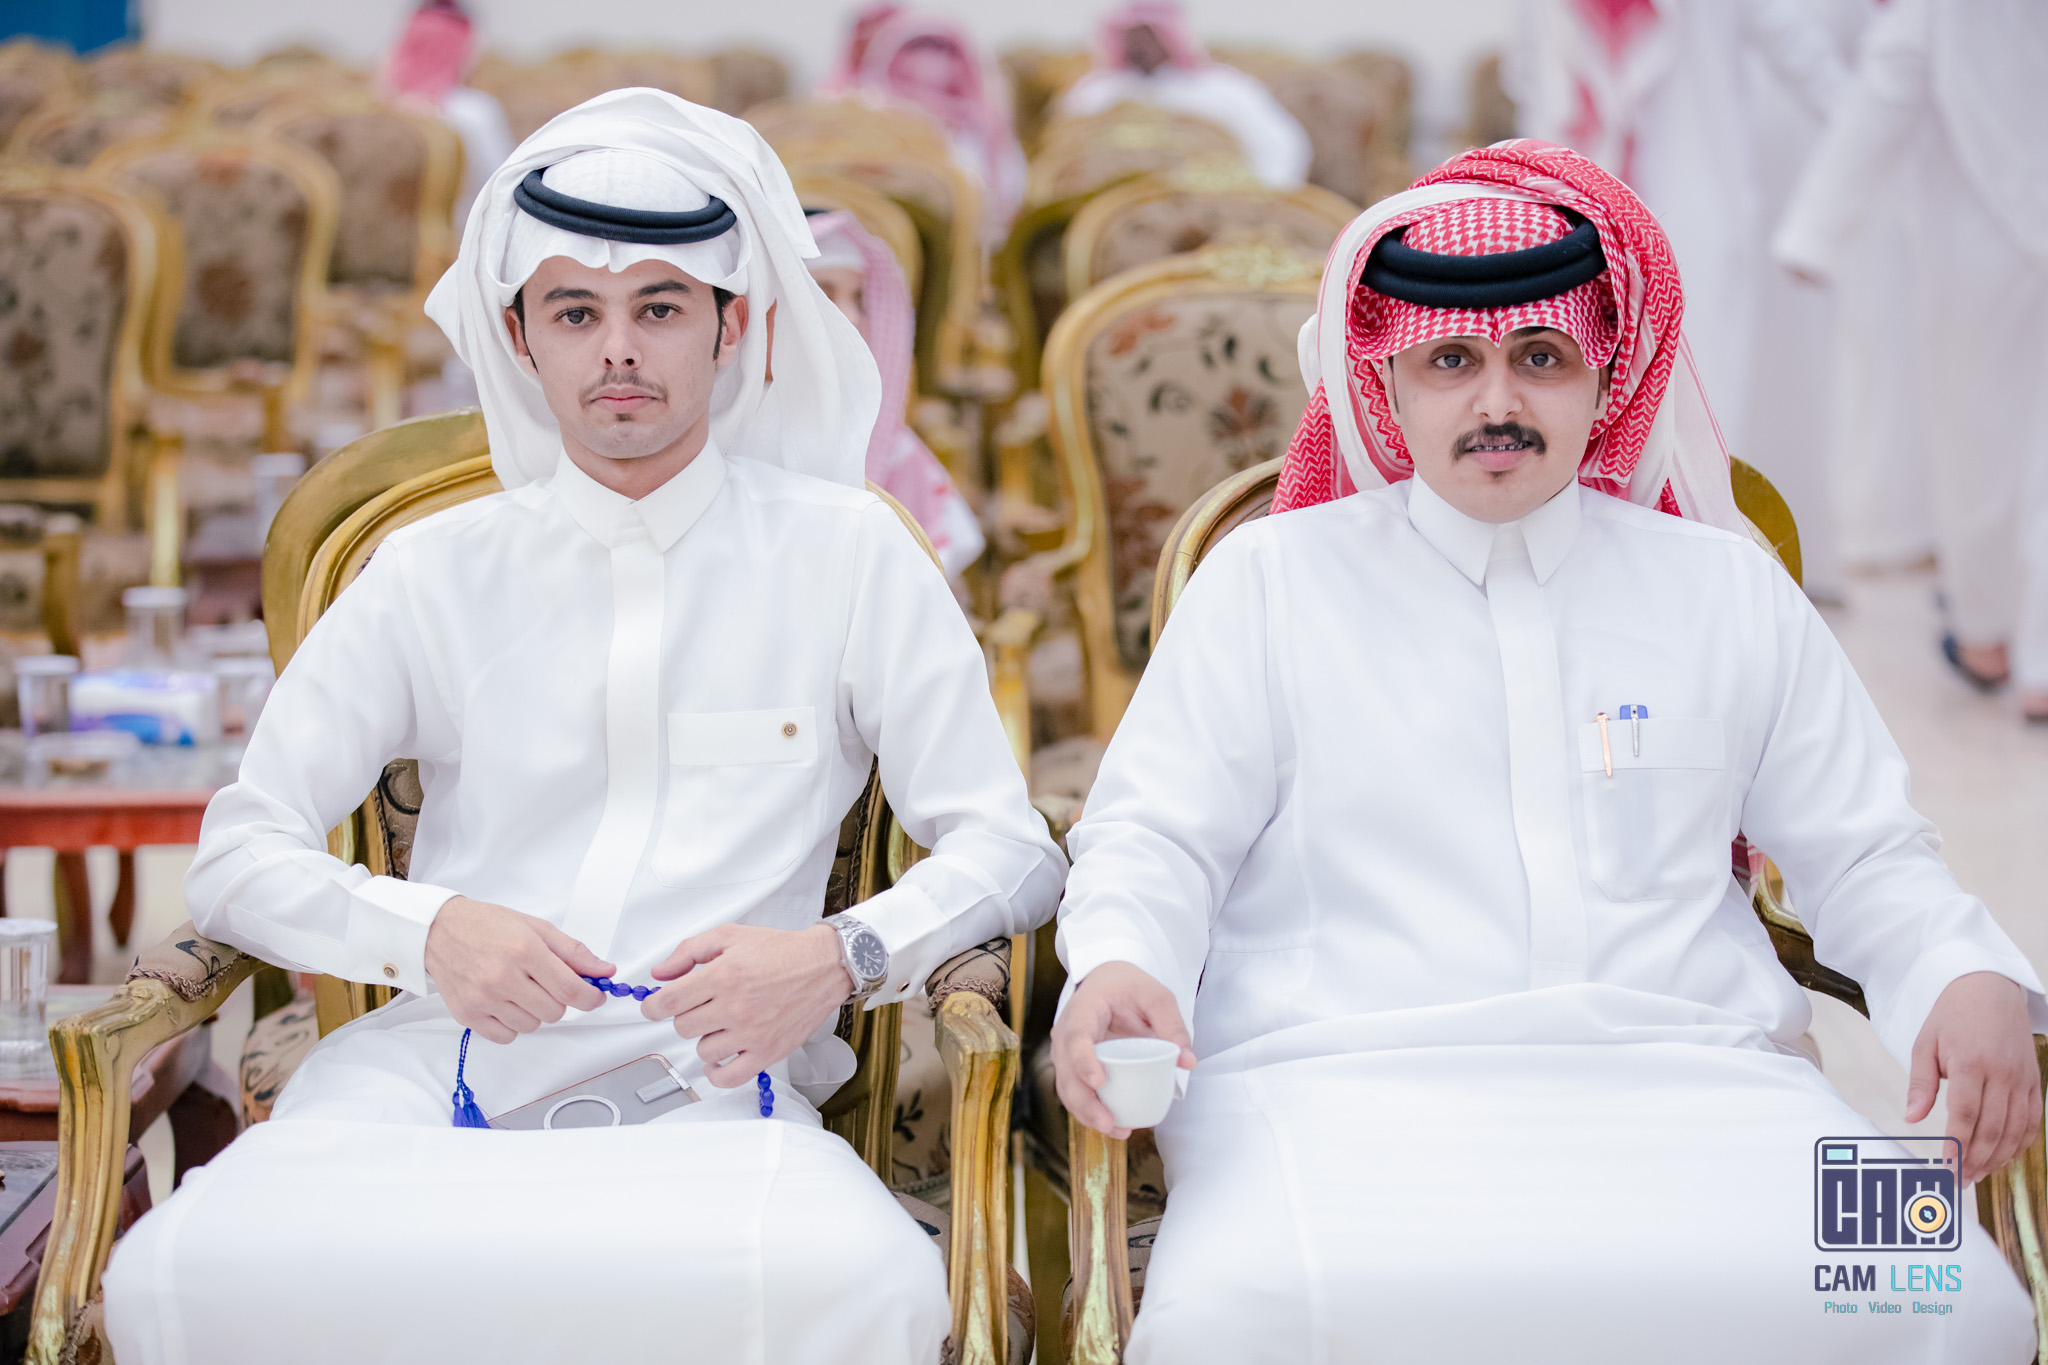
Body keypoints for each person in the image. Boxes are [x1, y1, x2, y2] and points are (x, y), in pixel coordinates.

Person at [102, 89, 1064, 1365]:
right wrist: (427, 931)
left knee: (862, 1288)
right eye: (574, 313)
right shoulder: (430, 570)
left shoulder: (847, 557)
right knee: (181, 1275)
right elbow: (237, 858)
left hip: (710, 1087)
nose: (618, 351)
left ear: (731, 325)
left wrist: (836, 959)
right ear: (518, 337)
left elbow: (1011, 849)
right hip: (430, 1072)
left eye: (659, 309)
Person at [1049, 139, 2044, 1363]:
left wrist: (1961, 972)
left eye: (1538, 358)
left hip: (1711, 1086)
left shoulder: (1720, 588)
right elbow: (1153, 836)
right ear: (1382, 382)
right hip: (1333, 1084)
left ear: (1602, 372)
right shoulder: (1268, 583)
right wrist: (1122, 959)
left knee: (1951, 1297)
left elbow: (1866, 852)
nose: (1496, 405)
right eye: (1449, 362)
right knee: (1236, 1314)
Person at [1775, 0, 2048, 724]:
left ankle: (1987, 634)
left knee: (1977, 445)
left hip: (1977, 249)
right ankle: (2043, 656)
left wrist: (1813, 233)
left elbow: (1879, 104)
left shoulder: (1941, 12)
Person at [806, 208, 985, 581]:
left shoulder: (889, 445)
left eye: (859, 299)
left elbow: (935, 566)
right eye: (824, 294)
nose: (852, 317)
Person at [1056, 1, 1311, 191]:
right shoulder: (1097, 93)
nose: (1138, 45)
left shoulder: (1220, 88)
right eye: (1132, 36)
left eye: (1147, 35)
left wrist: (1261, 194)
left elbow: (1281, 144)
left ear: (1168, 36)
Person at [853, 13, 1026, 241]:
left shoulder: (983, 123)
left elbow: (1009, 188)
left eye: (943, 48)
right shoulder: (871, 113)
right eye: (917, 46)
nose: (931, 57)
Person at [378, 0, 513, 232]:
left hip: (389, 232)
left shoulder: (382, 116)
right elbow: (502, 184)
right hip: (464, 232)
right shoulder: (475, 112)